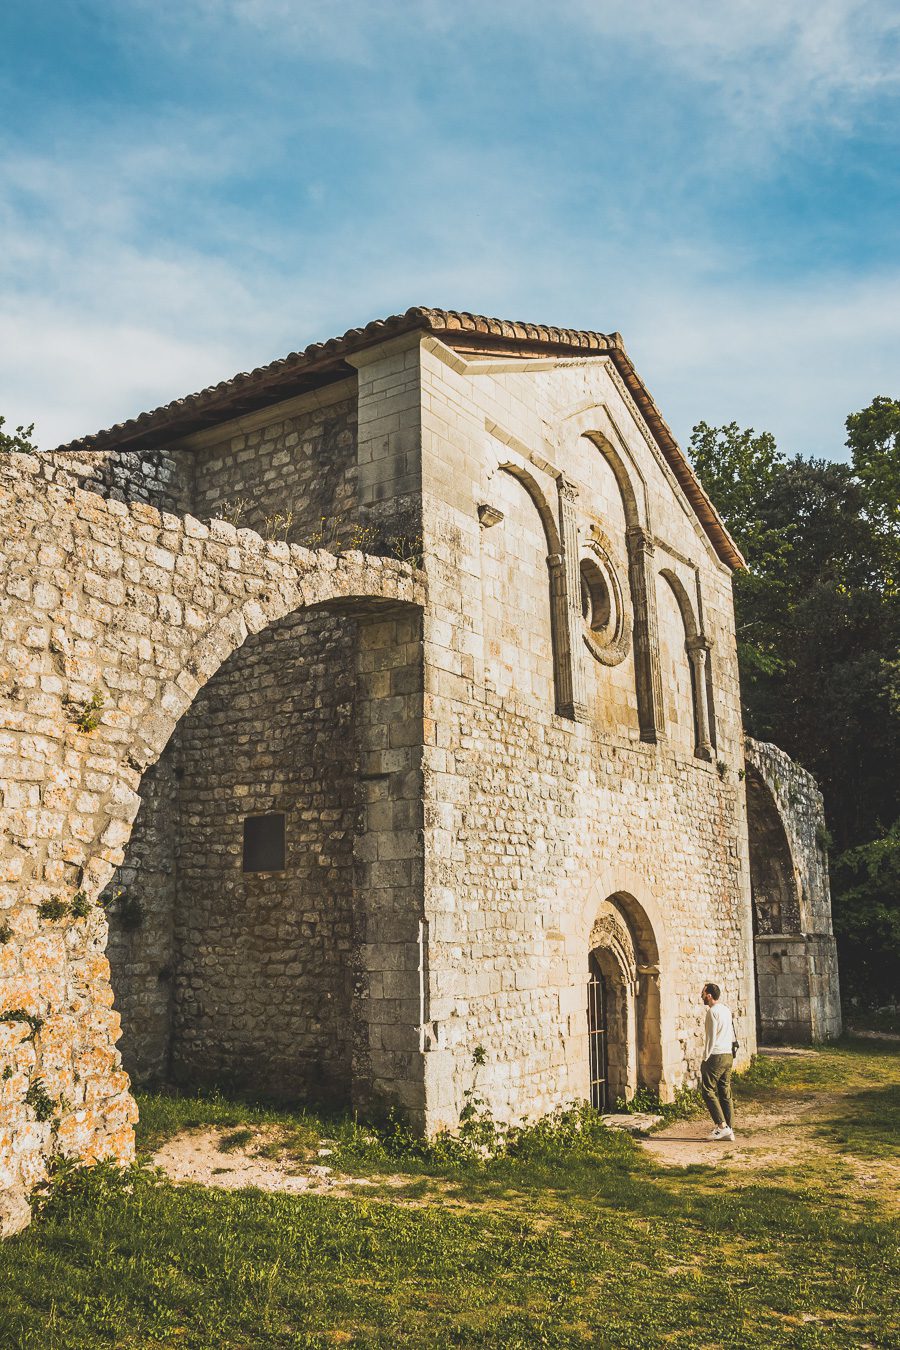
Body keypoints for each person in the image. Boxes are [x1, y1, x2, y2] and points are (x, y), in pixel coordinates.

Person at [700, 982, 736, 1141]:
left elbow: (711, 1037)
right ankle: (729, 1129)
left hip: (715, 1055)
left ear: (708, 995)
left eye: (703, 993)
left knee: (707, 1090)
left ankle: (722, 1126)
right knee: (724, 1091)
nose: (701, 996)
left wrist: (705, 1057)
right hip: (728, 1054)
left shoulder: (712, 1012)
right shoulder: (726, 1010)